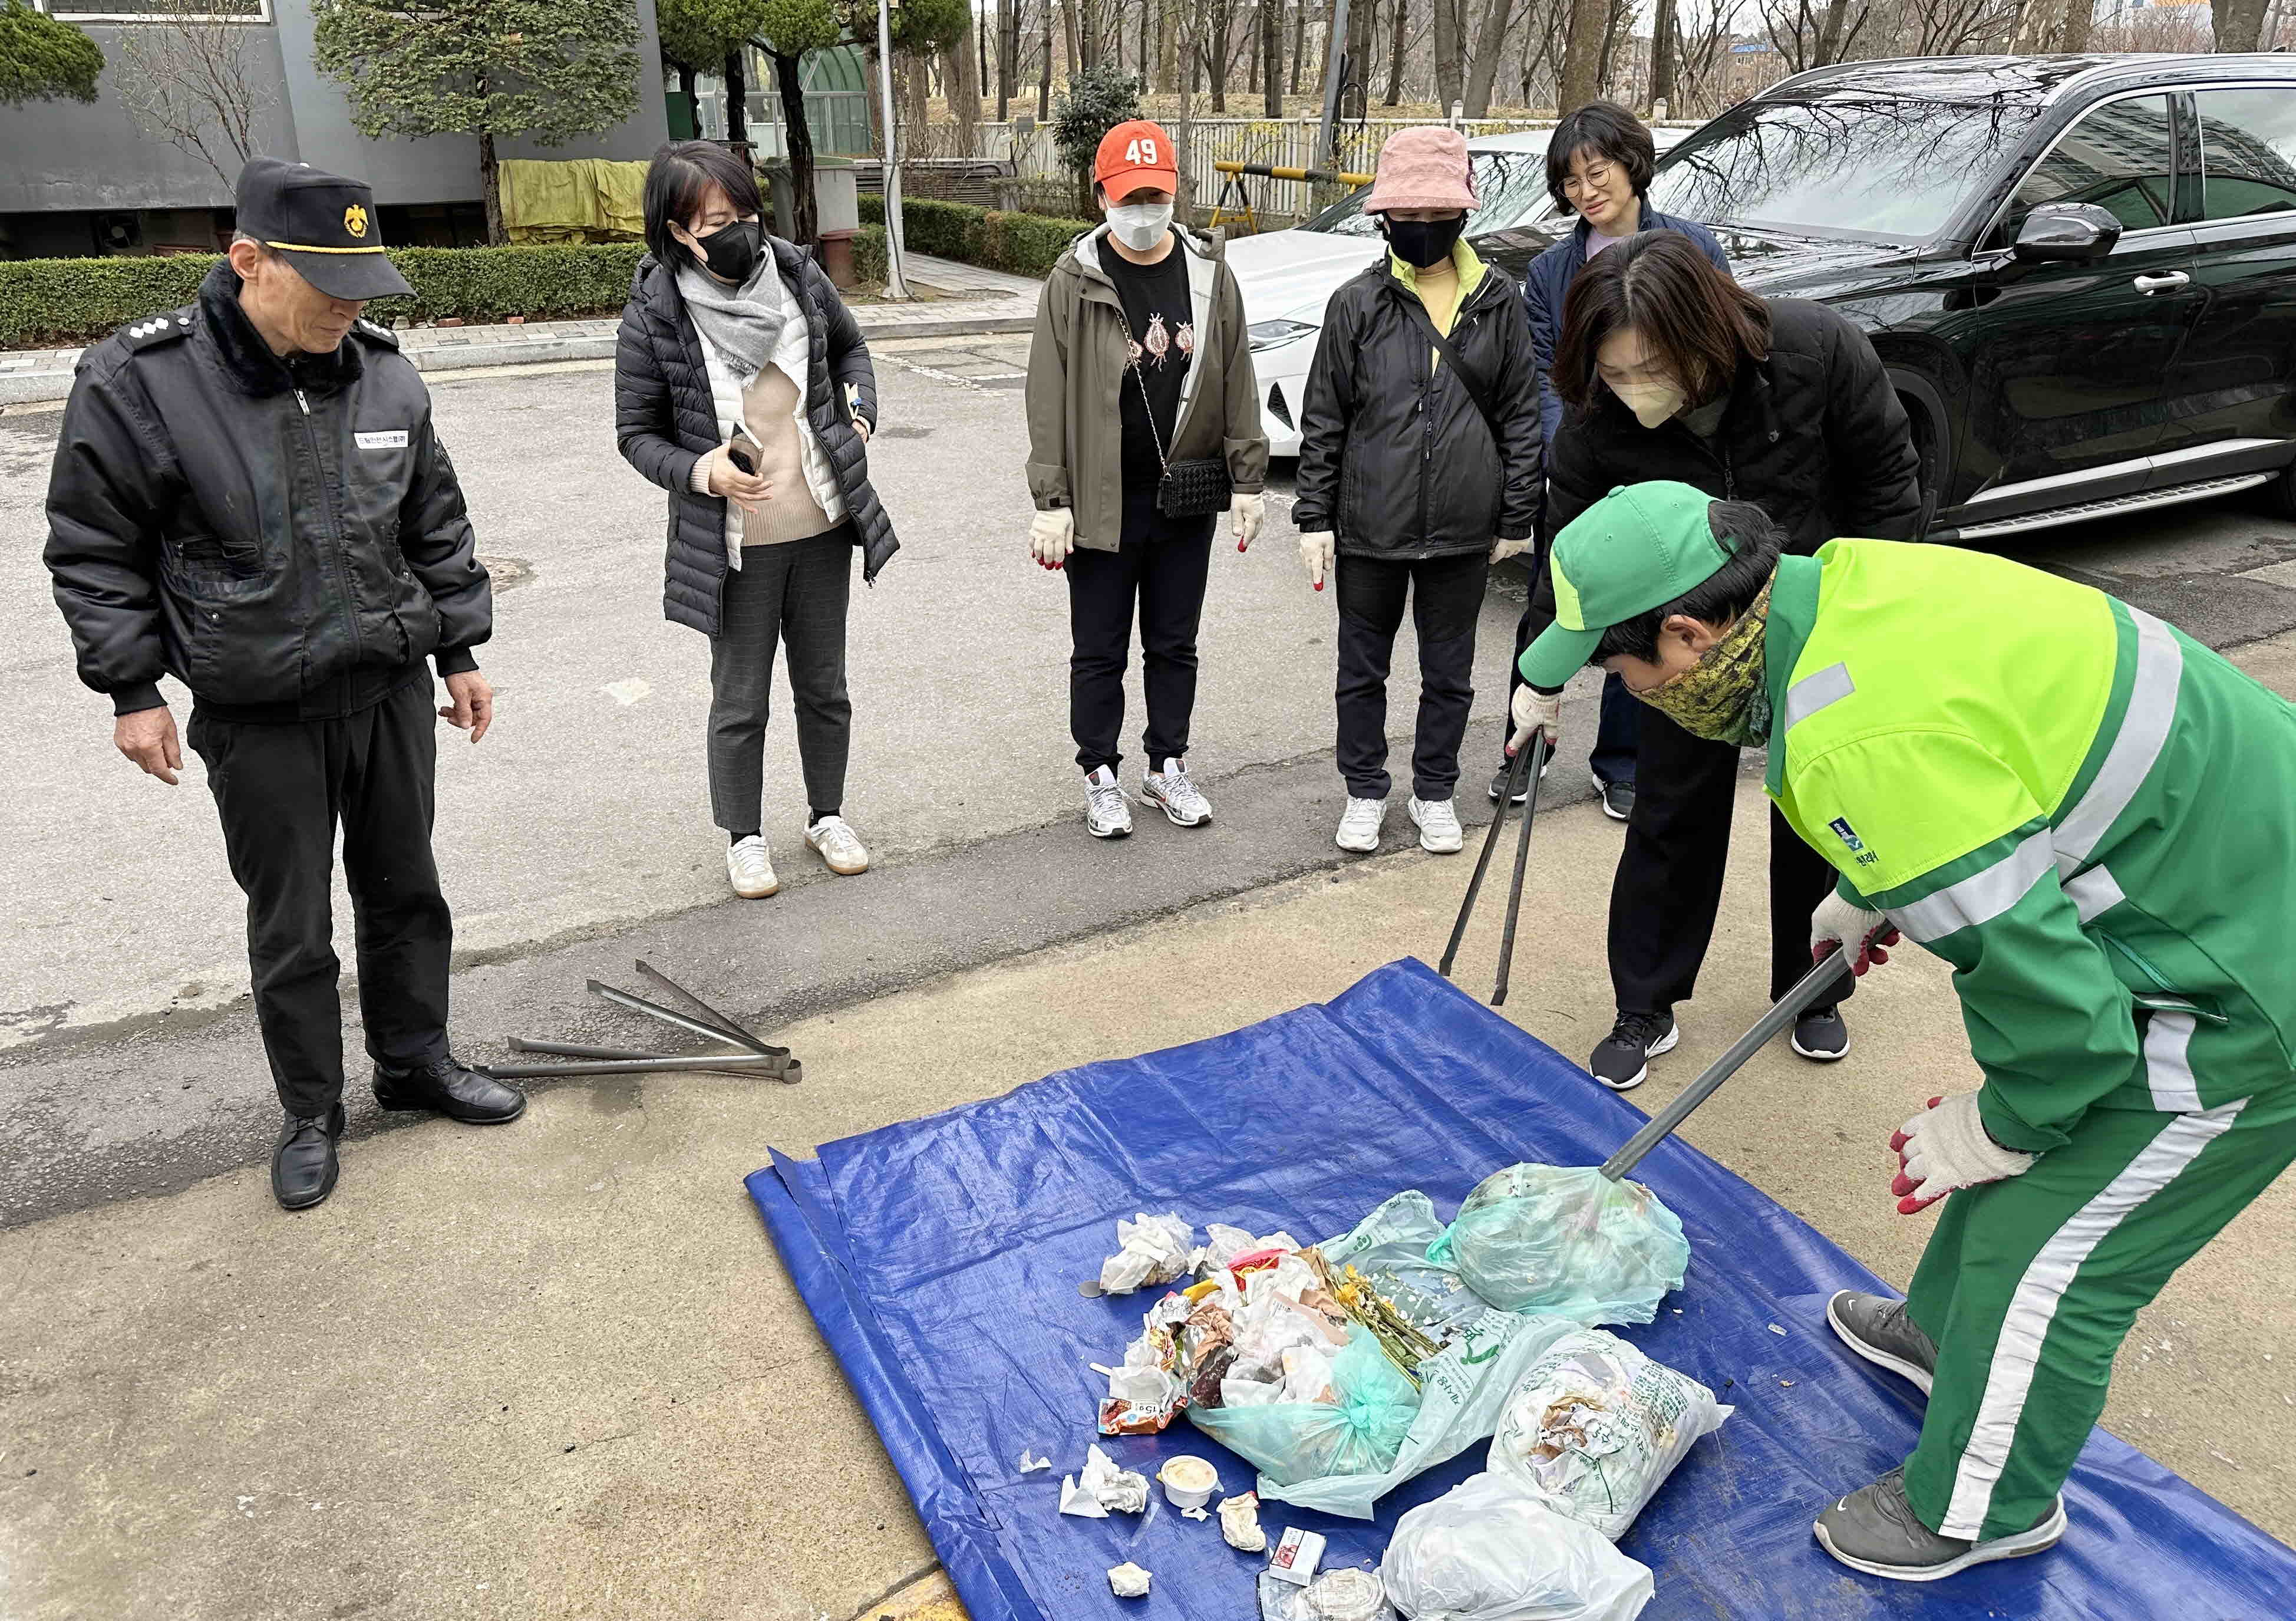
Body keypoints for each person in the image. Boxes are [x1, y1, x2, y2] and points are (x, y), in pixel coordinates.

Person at [1516, 479, 2296, 1583]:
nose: (1627, 688)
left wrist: (2003, 1119)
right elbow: (1983, 748)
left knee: (2054, 1256)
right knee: (2022, 1170)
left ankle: (1984, 1510)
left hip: (2249, 985)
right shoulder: (1847, 584)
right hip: (2228, 852)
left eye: (1621, 666)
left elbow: (2062, 1017)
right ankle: (1947, 1341)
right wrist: (1879, 880)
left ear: (1688, 635)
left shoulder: (1856, 741)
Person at [44, 157, 518, 1212]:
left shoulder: (384, 371)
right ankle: (312, 1109)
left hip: (389, 686)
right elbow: (91, 544)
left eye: (363, 286)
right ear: (249, 262)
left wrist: (460, 651)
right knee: (294, 924)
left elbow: (432, 523)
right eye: (326, 285)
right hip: (258, 707)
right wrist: (130, 690)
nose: (351, 307)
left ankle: (415, 1061)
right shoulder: (143, 382)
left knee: (407, 892)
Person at [1515, 229, 1921, 1091]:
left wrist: (1876, 624)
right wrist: (1537, 677)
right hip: (1683, 648)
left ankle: (1810, 986)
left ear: (1705, 332)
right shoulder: (1598, 425)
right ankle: (1646, 1000)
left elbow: (1891, 487)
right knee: (1671, 808)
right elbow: (1569, 557)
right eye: (1614, 375)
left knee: (1817, 808)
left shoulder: (1820, 352)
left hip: (1817, 622)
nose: (1634, 391)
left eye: (1650, 368)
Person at [616, 140, 897, 901]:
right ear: (678, 230)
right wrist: (700, 469)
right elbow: (635, 433)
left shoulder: (797, 272)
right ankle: (743, 836)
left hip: (822, 524)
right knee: (740, 698)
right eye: (715, 218)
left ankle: (827, 814)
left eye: (744, 210)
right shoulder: (656, 311)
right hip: (735, 541)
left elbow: (851, 350)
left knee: (825, 686)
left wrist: (861, 418)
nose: (737, 227)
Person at [1292, 126, 1542, 856]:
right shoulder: (1356, 303)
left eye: (1438, 219)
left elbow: (1520, 412)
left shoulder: (1497, 301)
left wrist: (1517, 511)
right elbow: (1324, 417)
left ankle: (1434, 788)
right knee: (1361, 670)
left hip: (1463, 526)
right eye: (1409, 218)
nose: (1423, 231)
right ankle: (1364, 789)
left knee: (1450, 674)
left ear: (1462, 217)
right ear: (1383, 218)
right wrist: (1313, 516)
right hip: (1370, 522)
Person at [1024, 119, 1268, 839]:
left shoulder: (1208, 275)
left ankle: (1166, 766)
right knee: (1098, 645)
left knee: (1173, 641)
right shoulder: (1072, 280)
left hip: (1182, 494)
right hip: (1102, 500)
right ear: (1100, 195)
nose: (1142, 211)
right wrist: (1052, 500)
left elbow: (1236, 376)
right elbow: (1047, 394)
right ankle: (1100, 773)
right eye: (1128, 197)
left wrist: (1248, 479)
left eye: (1155, 195)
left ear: (1173, 192)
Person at [1493, 99, 1732, 823]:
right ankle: (1523, 751)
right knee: (1555, 598)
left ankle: (1623, 763)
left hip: (1671, 465)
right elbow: (1543, 371)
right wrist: (1559, 452)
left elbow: (1718, 350)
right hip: (1580, 459)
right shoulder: (1551, 269)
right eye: (1570, 183)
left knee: (1649, 617)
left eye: (1597, 173)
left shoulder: (1693, 249)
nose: (1586, 191)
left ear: (1632, 166)